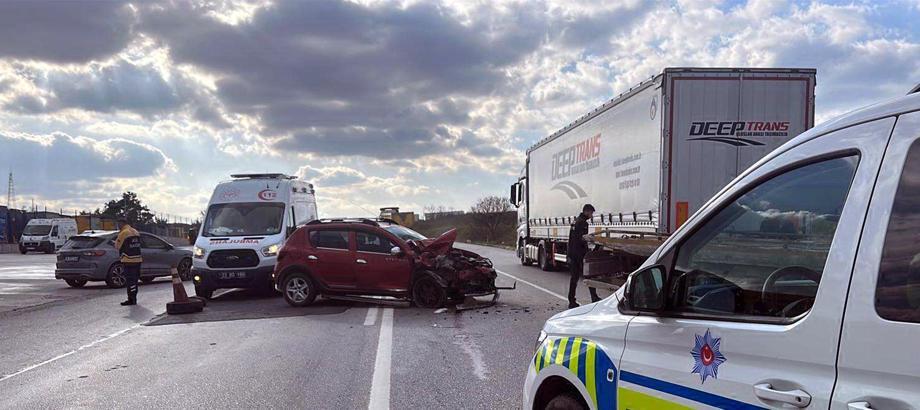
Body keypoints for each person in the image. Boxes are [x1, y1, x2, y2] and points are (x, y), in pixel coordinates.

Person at [567, 204, 599, 308]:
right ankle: (594, 297)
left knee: (574, 278)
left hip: (573, 252)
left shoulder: (575, 221)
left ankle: (571, 300)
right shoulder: (583, 223)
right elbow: (581, 238)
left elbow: (572, 238)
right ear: (586, 211)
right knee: (589, 274)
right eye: (591, 213)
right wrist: (591, 239)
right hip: (579, 253)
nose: (591, 215)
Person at [114, 219, 143, 306]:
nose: (118, 226)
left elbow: (117, 246)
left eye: (118, 224)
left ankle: (131, 299)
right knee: (134, 280)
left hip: (128, 260)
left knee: (130, 281)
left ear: (121, 224)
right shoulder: (135, 232)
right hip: (138, 259)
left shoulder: (123, 233)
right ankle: (134, 298)